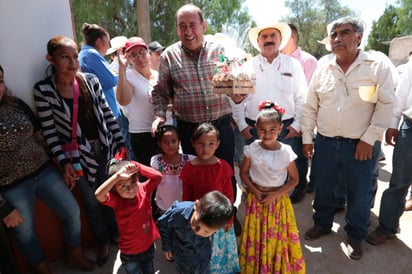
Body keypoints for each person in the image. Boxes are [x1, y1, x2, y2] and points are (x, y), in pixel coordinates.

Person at [301, 17, 394, 260]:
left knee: (359, 193)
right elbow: (311, 106)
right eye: (333, 34)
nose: (337, 38)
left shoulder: (376, 66)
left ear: (359, 37)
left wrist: (369, 139)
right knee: (322, 186)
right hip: (326, 142)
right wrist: (307, 138)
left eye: (345, 32)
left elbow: (385, 105)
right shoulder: (323, 67)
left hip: (360, 145)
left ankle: (355, 235)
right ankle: (322, 223)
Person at [33, 36, 126, 266]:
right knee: (92, 201)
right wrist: (63, 162)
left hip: (104, 147)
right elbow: (50, 132)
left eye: (75, 56)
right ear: (51, 59)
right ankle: (103, 240)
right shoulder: (44, 90)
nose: (72, 62)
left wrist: (120, 142)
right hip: (76, 157)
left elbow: (106, 113)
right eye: (65, 57)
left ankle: (116, 234)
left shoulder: (90, 80)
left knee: (111, 193)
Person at [151, 3, 241, 235]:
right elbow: (160, 92)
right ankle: (198, 220)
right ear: (177, 29)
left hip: (221, 125)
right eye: (182, 26)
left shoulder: (219, 50)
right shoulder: (169, 56)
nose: (188, 31)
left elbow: (231, 86)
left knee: (225, 173)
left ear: (203, 25)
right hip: (190, 129)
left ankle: (229, 216)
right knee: (196, 178)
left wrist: (237, 94)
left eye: (193, 25)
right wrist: (160, 115)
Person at [0, 64, 95, 273]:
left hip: (43, 170)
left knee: (71, 210)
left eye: (0, 80)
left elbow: (40, 136)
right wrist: (3, 208)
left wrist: (61, 165)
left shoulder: (15, 104)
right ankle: (42, 268)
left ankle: (75, 253)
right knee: (24, 231)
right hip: (11, 184)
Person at [231, 22, 308, 204]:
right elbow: (236, 100)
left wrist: (297, 125)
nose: (269, 40)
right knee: (252, 165)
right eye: (264, 37)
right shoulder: (246, 67)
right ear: (258, 42)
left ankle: (281, 201)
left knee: (285, 167)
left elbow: (301, 98)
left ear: (280, 39)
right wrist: (242, 124)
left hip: (286, 127)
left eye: (273, 36)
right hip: (253, 127)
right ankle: (251, 194)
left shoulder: (294, 65)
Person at [238, 101, 305, 273]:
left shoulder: (286, 152)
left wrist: (274, 195)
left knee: (276, 235)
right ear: (255, 127)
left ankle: (275, 266)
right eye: (262, 130)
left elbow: (294, 179)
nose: (267, 134)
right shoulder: (252, 148)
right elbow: (244, 173)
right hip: (256, 198)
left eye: (272, 130)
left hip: (277, 201)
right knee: (257, 233)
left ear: (281, 128)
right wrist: (255, 191)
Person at [180, 123, 240, 274]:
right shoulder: (190, 168)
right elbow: (186, 196)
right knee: (200, 250)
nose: (205, 148)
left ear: (218, 144)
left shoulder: (222, 166)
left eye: (211, 144)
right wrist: (188, 218)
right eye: (201, 143)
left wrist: (230, 218)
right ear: (193, 143)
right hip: (199, 220)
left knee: (219, 250)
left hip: (219, 219)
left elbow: (228, 195)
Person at [366, 57, 412, 245]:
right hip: (410, 127)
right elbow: (402, 92)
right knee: (399, 182)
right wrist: (393, 123)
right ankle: (387, 226)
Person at [95, 158, 162, 274]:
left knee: (149, 271)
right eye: (123, 186)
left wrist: (136, 166)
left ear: (137, 179)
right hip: (130, 254)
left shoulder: (144, 189)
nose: (130, 189)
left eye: (132, 182)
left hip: (149, 247)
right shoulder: (117, 201)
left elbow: (158, 176)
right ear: (115, 190)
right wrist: (117, 177)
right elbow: (98, 195)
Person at [78, 24, 131, 160]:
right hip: (108, 112)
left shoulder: (85, 54)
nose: (108, 47)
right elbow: (111, 80)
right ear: (100, 41)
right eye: (107, 42)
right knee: (121, 152)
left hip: (104, 111)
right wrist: (118, 73)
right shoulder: (91, 55)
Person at [157, 190, 234, 274]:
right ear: (196, 205)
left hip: (202, 257)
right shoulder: (178, 212)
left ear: (216, 230)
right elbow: (163, 225)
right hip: (181, 255)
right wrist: (166, 246)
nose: (198, 232)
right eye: (195, 223)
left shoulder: (215, 223)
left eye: (206, 232)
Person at [116, 36, 160, 167]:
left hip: (164, 132)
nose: (139, 58)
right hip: (142, 135)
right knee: (150, 177)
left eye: (142, 52)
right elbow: (123, 100)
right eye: (133, 55)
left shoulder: (158, 75)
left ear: (148, 53)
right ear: (128, 59)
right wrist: (122, 70)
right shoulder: (128, 77)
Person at [150, 125, 195, 218]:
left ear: (179, 142)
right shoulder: (156, 161)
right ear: (159, 143)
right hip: (163, 206)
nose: (170, 145)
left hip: (184, 207)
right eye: (166, 142)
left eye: (173, 141)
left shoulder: (188, 160)